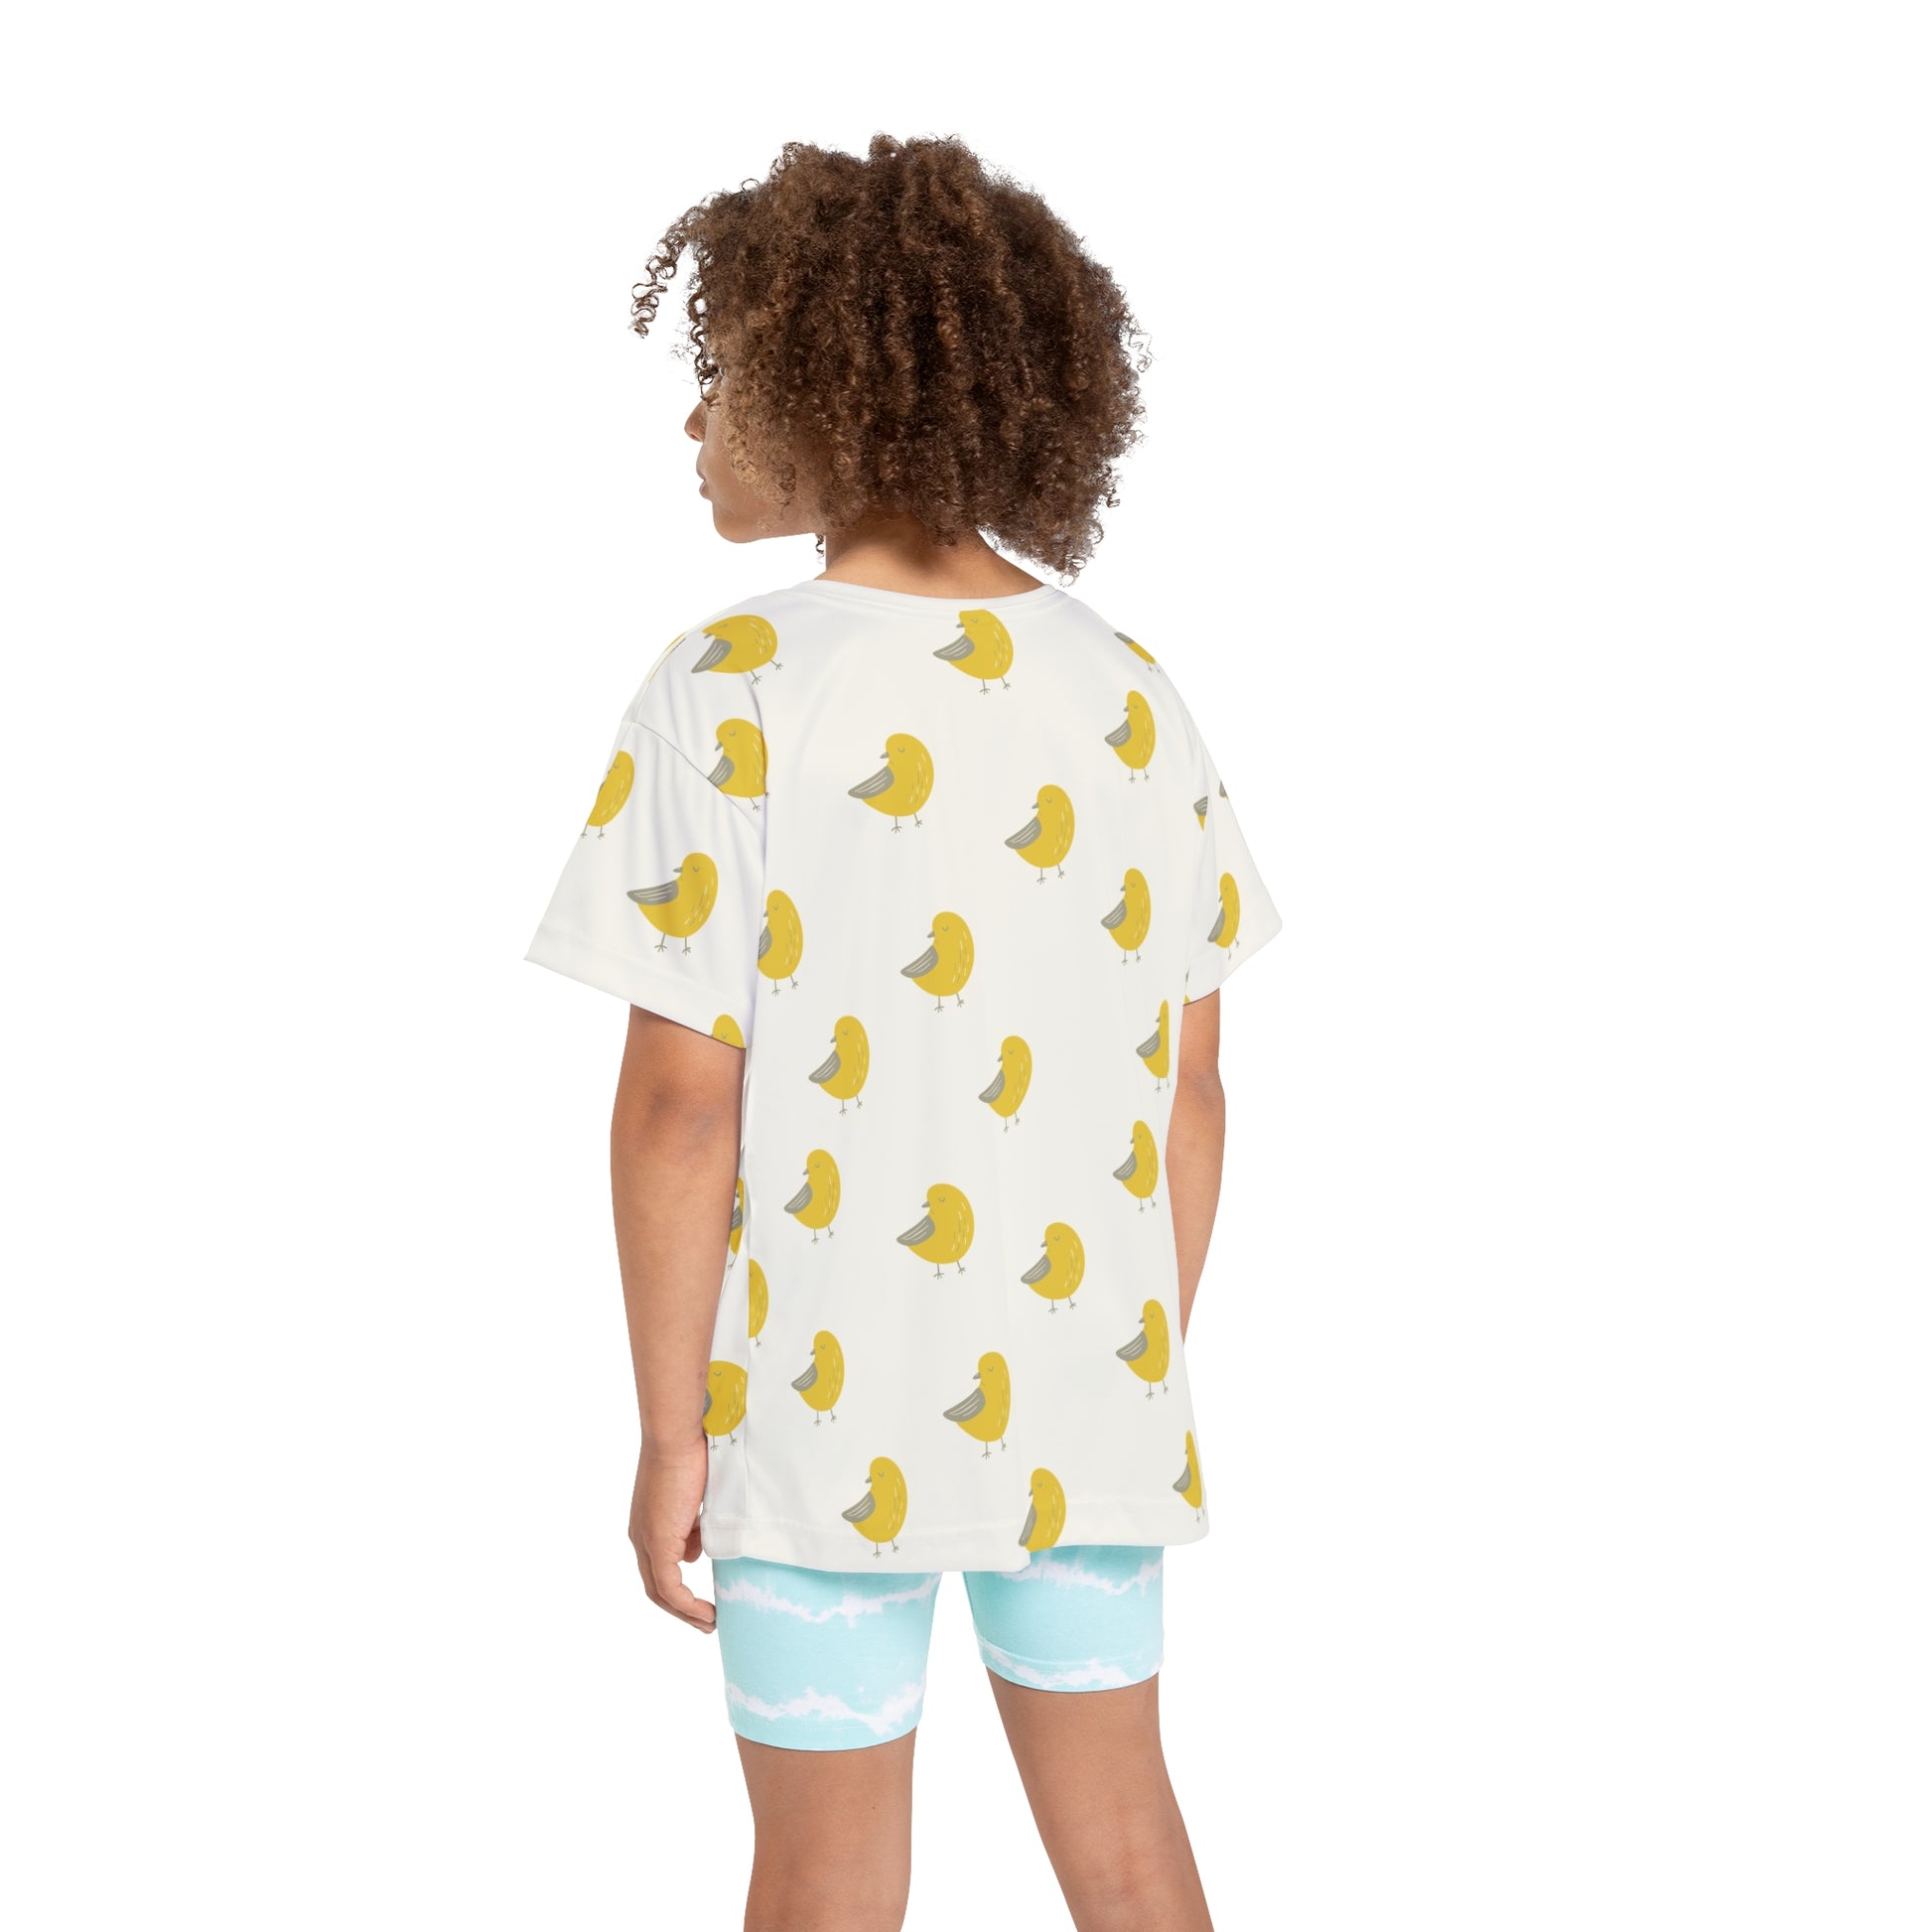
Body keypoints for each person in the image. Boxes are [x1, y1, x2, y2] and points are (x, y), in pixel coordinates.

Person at [527, 134, 1280, 1932]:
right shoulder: (1129, 693)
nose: (692, 419)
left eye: (720, 370)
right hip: (1088, 1404)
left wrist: (668, 1434)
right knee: (1128, 1852)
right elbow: (1190, 1093)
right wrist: (1116, 1369)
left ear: (827, 384)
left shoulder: (729, 689)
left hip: (812, 1412)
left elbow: (677, 1108)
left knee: (823, 1882)